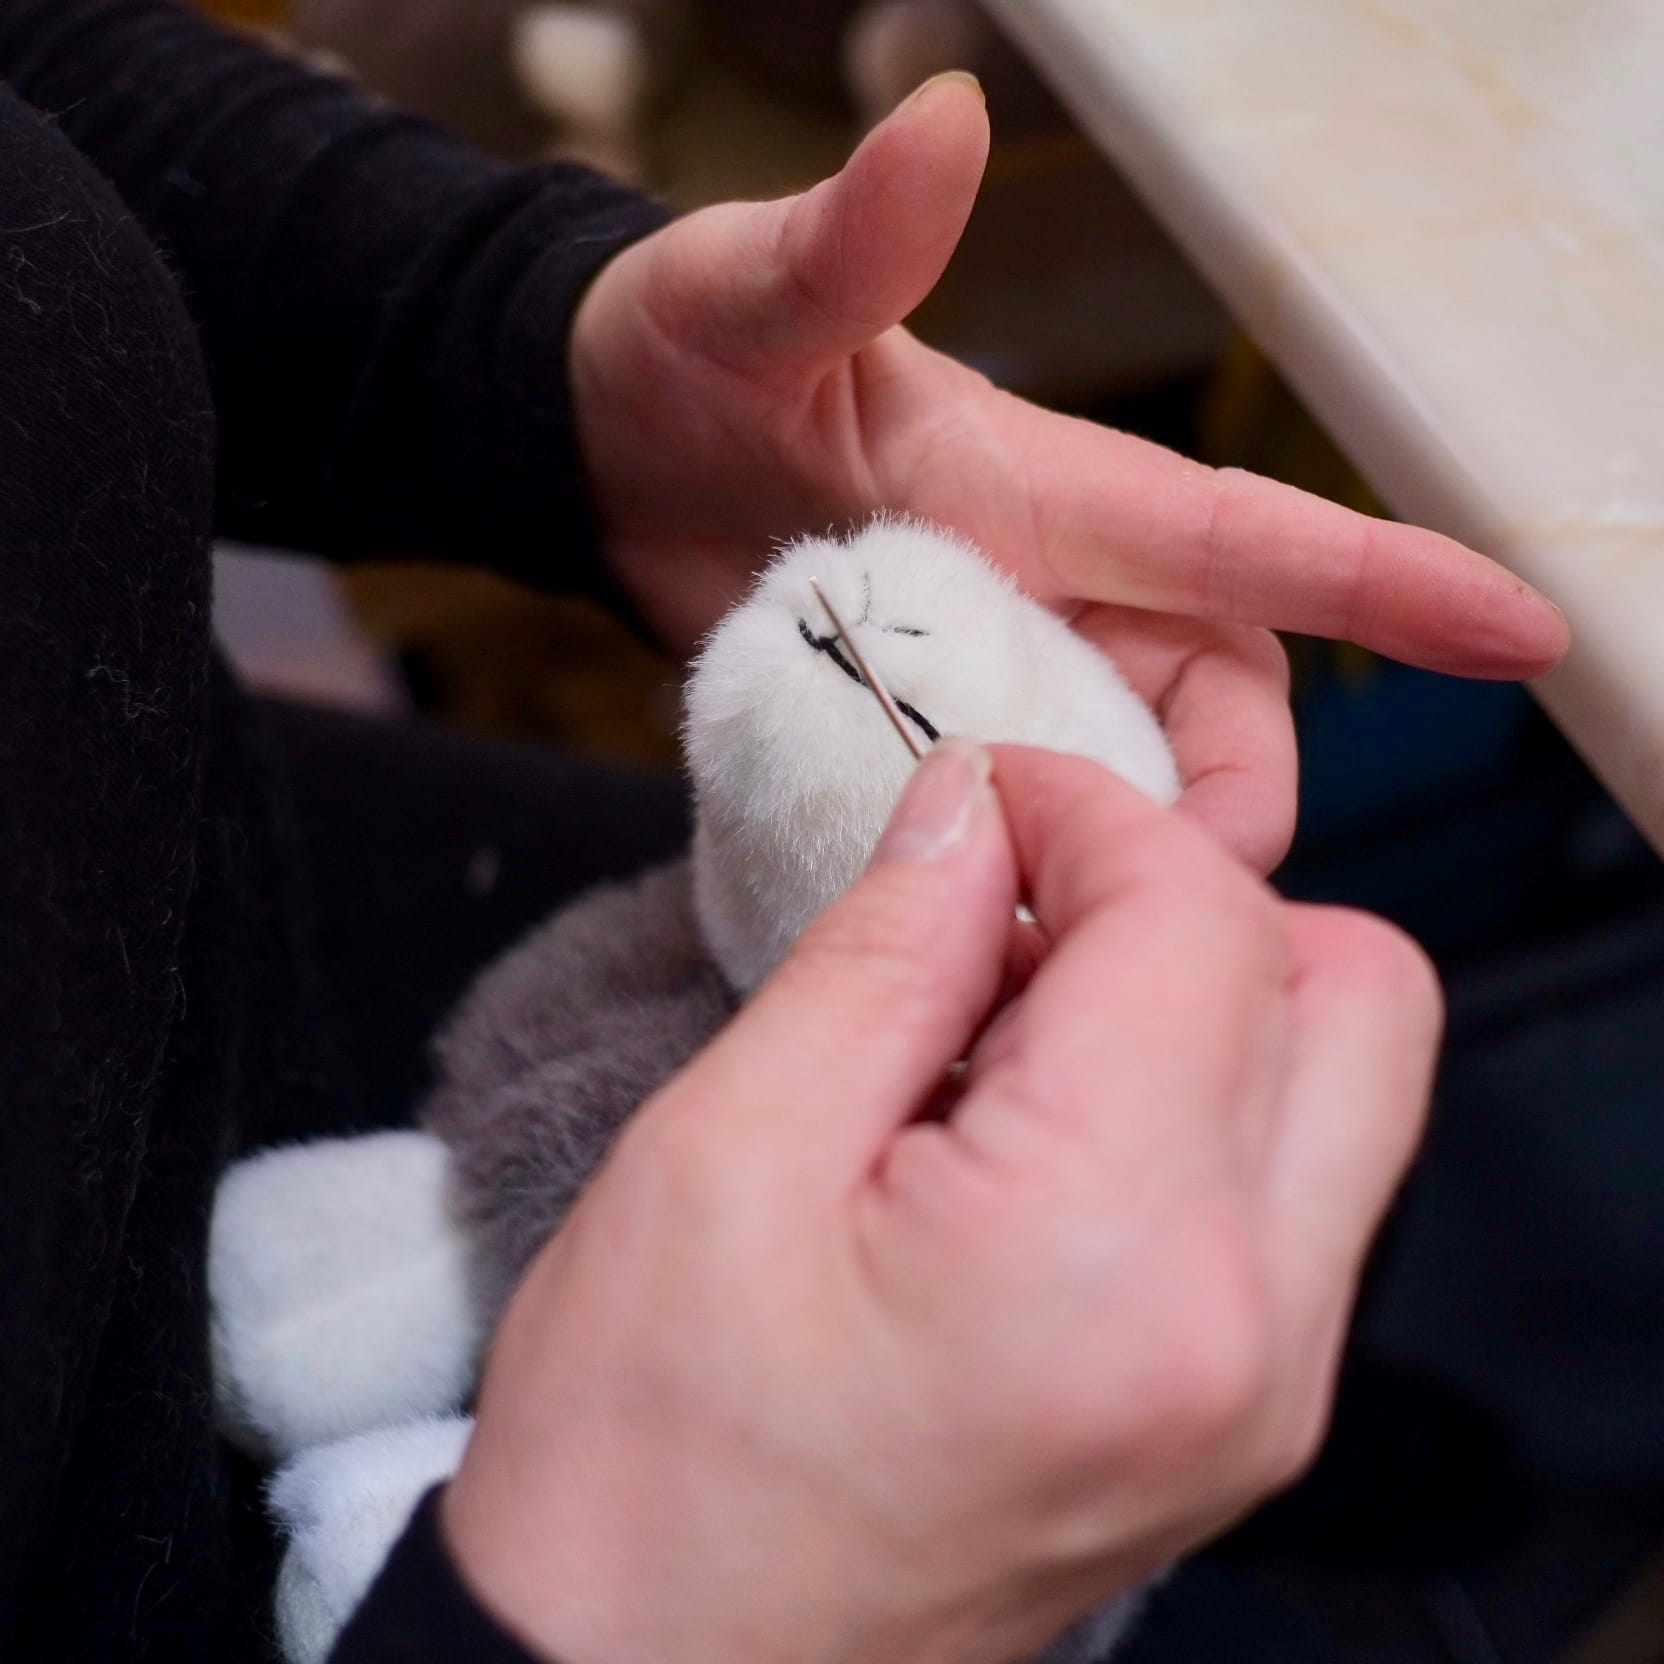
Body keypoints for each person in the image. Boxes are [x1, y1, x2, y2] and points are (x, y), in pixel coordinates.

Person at [0, 4, 1566, 1661]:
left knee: (1258, 1161)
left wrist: (529, 346)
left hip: (183, 855)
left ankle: (1258, 1467)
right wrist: (602, 1617)